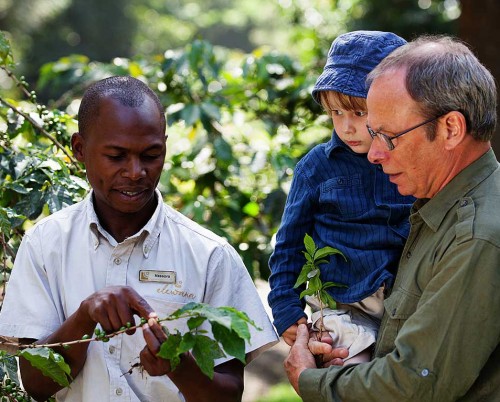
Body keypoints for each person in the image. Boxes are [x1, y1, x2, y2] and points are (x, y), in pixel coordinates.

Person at [0, 76, 278, 402]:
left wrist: (178, 364)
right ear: (79, 149)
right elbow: (36, 384)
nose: (135, 171)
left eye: (150, 155)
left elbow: (229, 395)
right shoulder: (45, 246)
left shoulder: (210, 256)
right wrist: (84, 317)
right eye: (116, 156)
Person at [284, 35, 500, 401]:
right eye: (374, 134)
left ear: (450, 129)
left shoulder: (476, 235)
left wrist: (308, 379)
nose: (374, 154)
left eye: (388, 136)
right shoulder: (439, 205)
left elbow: (416, 384)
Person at [268, 31, 414, 363]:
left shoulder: (410, 161)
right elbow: (289, 245)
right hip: (341, 308)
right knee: (347, 377)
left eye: (358, 113)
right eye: (335, 113)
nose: (345, 127)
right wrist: (287, 309)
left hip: (403, 306)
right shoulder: (317, 167)